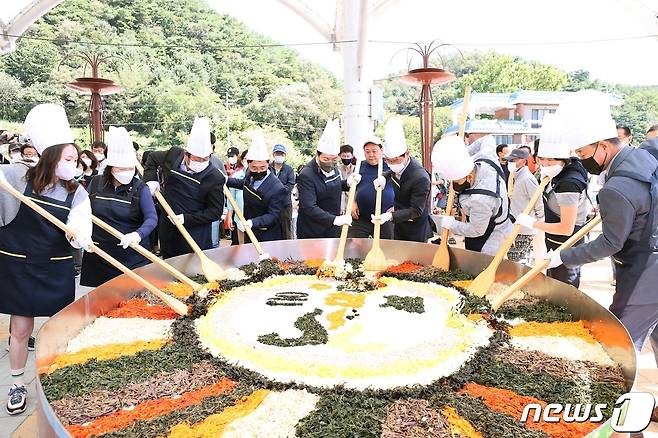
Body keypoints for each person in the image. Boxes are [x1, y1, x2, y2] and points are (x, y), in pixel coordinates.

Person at [544, 90, 658, 365]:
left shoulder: (616, 188)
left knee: (614, 344)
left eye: (582, 153)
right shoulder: (646, 156)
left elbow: (610, 243)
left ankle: (609, 405)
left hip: (647, 273)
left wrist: (562, 255)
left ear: (602, 146)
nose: (582, 160)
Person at [0, 104, 92, 415]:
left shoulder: (77, 192)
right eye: (68, 159)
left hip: (56, 270)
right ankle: (15, 384)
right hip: (19, 268)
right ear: (50, 156)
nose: (74, 165)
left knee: (58, 330)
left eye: (76, 160)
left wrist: (79, 235)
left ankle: (55, 384)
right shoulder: (14, 176)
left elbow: (81, 224)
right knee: (20, 330)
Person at [515, 114, 589, 288]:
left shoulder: (569, 183)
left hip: (568, 243)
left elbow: (566, 228)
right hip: (554, 242)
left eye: (552, 159)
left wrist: (533, 223)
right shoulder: (557, 172)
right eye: (542, 159)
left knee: (564, 288)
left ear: (563, 159)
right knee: (553, 285)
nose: (546, 163)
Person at [80, 127, 157, 287]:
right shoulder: (95, 183)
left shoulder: (140, 188)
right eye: (121, 169)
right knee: (101, 304)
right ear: (111, 168)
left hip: (132, 254)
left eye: (130, 168)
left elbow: (151, 218)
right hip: (99, 253)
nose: (126, 172)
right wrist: (81, 233)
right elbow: (82, 211)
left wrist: (137, 234)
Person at [144, 117, 225, 259]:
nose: (201, 163)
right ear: (186, 154)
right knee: (170, 267)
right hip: (168, 228)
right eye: (196, 159)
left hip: (195, 234)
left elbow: (215, 212)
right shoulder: (173, 155)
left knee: (194, 270)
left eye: (205, 159)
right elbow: (152, 158)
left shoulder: (215, 177)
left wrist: (186, 219)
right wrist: (151, 180)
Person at [434, 134, 512, 255]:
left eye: (456, 181)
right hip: (483, 223)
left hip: (492, 237)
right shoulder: (486, 157)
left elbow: (476, 230)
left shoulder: (480, 200)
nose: (454, 185)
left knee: (482, 267)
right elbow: (488, 139)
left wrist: (451, 224)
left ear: (469, 176)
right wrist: (463, 153)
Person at [373, 118, 432, 242]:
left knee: (414, 259)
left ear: (407, 154)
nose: (392, 164)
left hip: (415, 228)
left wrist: (391, 216)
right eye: (388, 161)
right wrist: (384, 176)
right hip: (399, 223)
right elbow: (393, 171)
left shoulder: (420, 178)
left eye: (396, 160)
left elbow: (416, 210)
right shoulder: (395, 167)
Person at [297, 120, 357, 239]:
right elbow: (309, 206)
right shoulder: (307, 175)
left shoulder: (334, 167)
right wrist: (334, 219)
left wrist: (347, 183)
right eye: (325, 159)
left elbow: (332, 186)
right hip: (313, 229)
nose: (330, 163)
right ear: (317, 155)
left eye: (334, 159)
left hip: (331, 227)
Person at [227, 132, 288, 243]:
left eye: (262, 167)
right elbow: (244, 184)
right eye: (254, 168)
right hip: (250, 232)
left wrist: (252, 222)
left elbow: (273, 215)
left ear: (268, 164)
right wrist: (226, 180)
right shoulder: (249, 175)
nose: (258, 171)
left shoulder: (278, 188)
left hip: (267, 234)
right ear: (248, 164)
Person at [349, 137, 394, 239]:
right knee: (355, 247)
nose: (371, 155)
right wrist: (352, 202)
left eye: (374, 151)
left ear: (381, 151)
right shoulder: (360, 166)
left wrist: (397, 207)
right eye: (367, 152)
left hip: (385, 216)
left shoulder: (390, 166)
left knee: (386, 249)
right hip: (361, 216)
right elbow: (353, 187)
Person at [505, 148, 545, 264]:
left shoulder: (527, 178)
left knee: (516, 260)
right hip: (519, 225)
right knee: (515, 259)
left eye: (513, 160)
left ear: (523, 161)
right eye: (509, 160)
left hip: (526, 228)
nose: (510, 163)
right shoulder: (517, 176)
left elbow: (538, 201)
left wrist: (540, 222)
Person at [270, 143, 295, 239]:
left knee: (286, 231)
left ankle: (287, 253)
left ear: (285, 155)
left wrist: (277, 191)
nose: (279, 156)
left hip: (285, 205)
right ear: (273, 154)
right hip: (270, 205)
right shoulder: (268, 168)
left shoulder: (289, 170)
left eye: (281, 154)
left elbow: (290, 185)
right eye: (277, 153)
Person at [227, 150, 247, 245]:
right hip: (239, 217)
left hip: (254, 219)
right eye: (246, 159)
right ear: (242, 160)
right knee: (240, 245)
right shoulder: (236, 176)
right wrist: (229, 217)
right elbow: (231, 199)